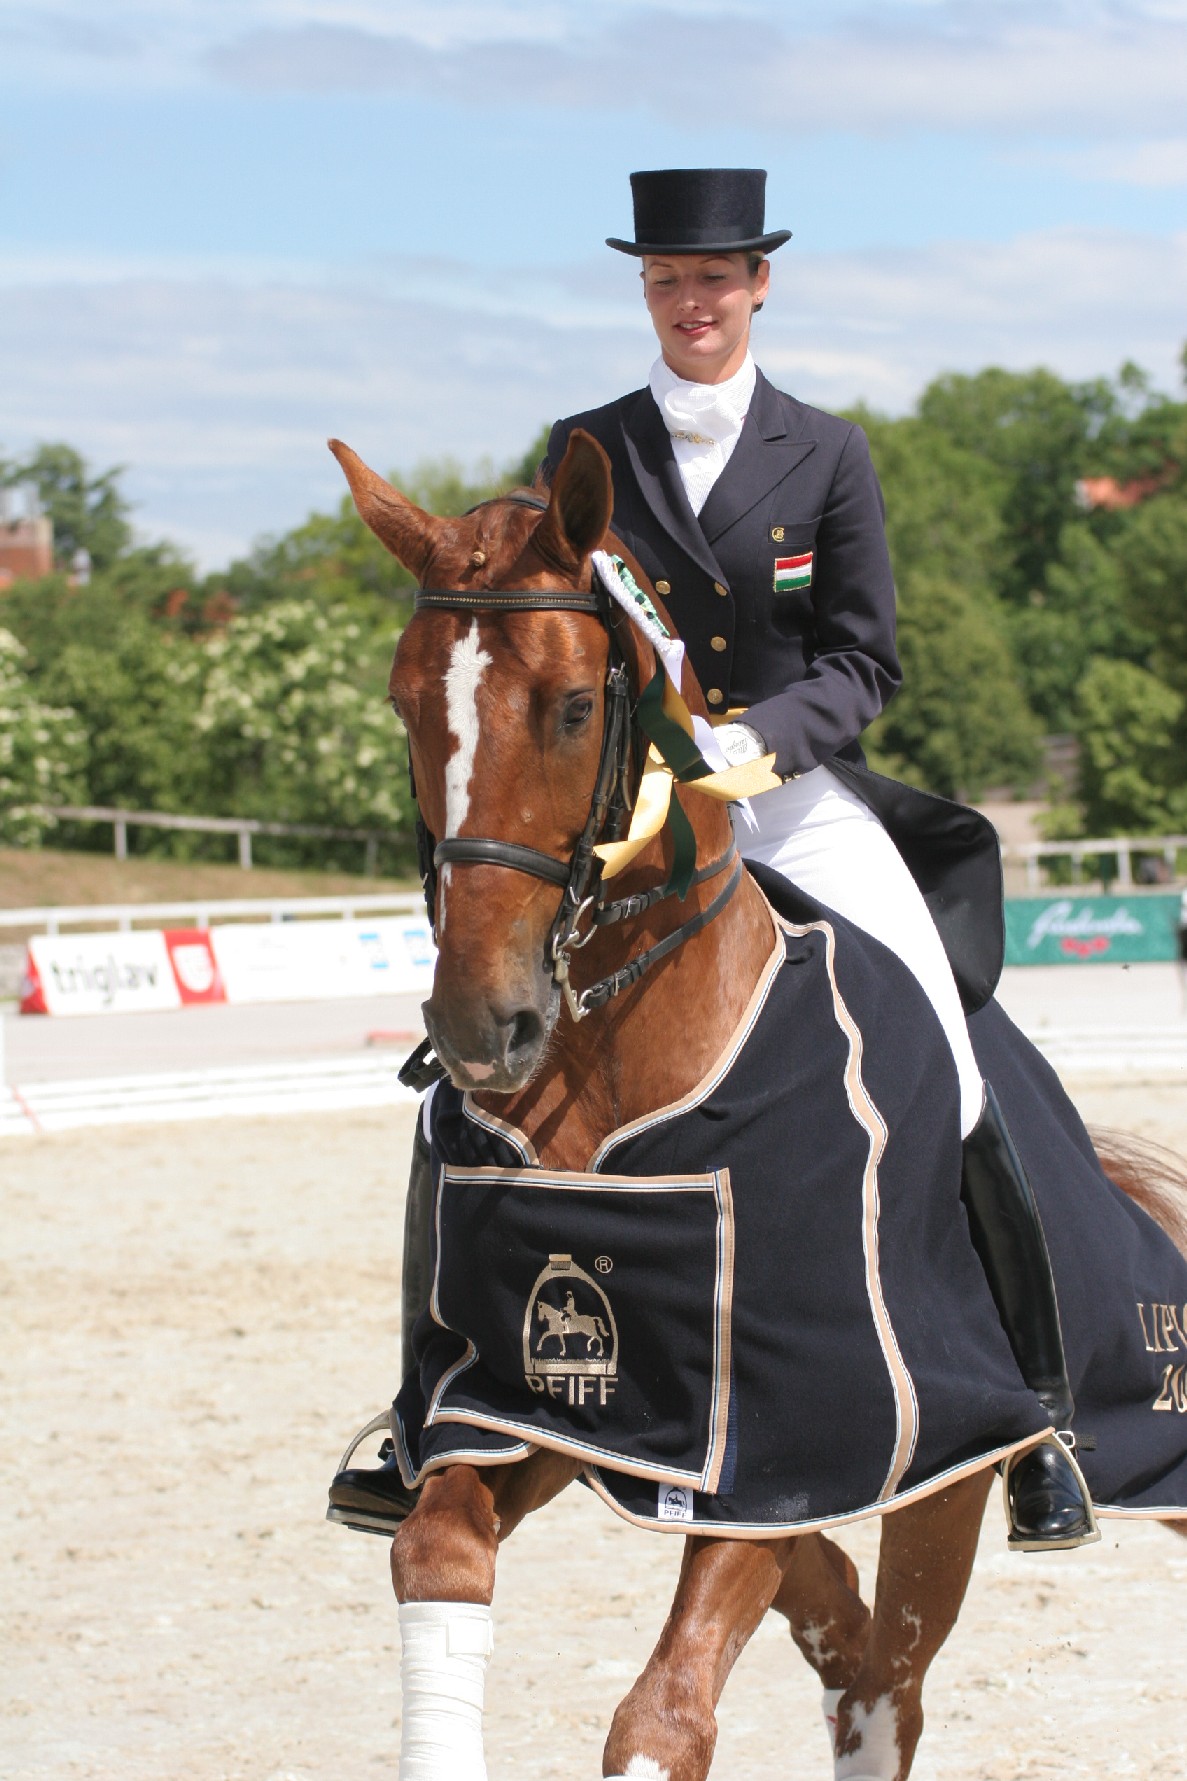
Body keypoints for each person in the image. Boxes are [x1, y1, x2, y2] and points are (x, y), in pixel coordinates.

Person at [329, 167, 1092, 1550]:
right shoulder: (587, 448)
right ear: (647, 291)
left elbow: (864, 660)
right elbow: (543, 628)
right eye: (668, 280)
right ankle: (419, 1411)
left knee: (955, 1052)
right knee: (471, 1068)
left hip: (789, 796)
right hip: (638, 807)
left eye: (715, 278)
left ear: (758, 286)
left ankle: (1038, 1416)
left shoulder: (828, 453)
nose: (693, 300)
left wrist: (754, 745)